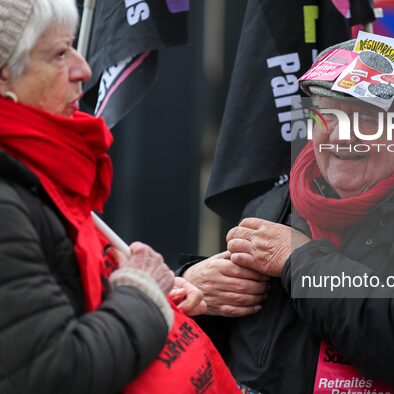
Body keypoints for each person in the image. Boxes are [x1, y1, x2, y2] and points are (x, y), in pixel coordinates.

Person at [180, 39, 394, 393]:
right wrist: (192, 287)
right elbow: (234, 351)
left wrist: (299, 260)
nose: (340, 136)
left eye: (365, 119)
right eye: (326, 115)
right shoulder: (274, 206)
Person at [0, 1, 239, 393]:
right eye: (59, 54)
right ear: (5, 79)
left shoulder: (42, 176)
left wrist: (165, 286)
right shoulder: (10, 201)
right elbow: (55, 371)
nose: (83, 69)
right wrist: (143, 294)